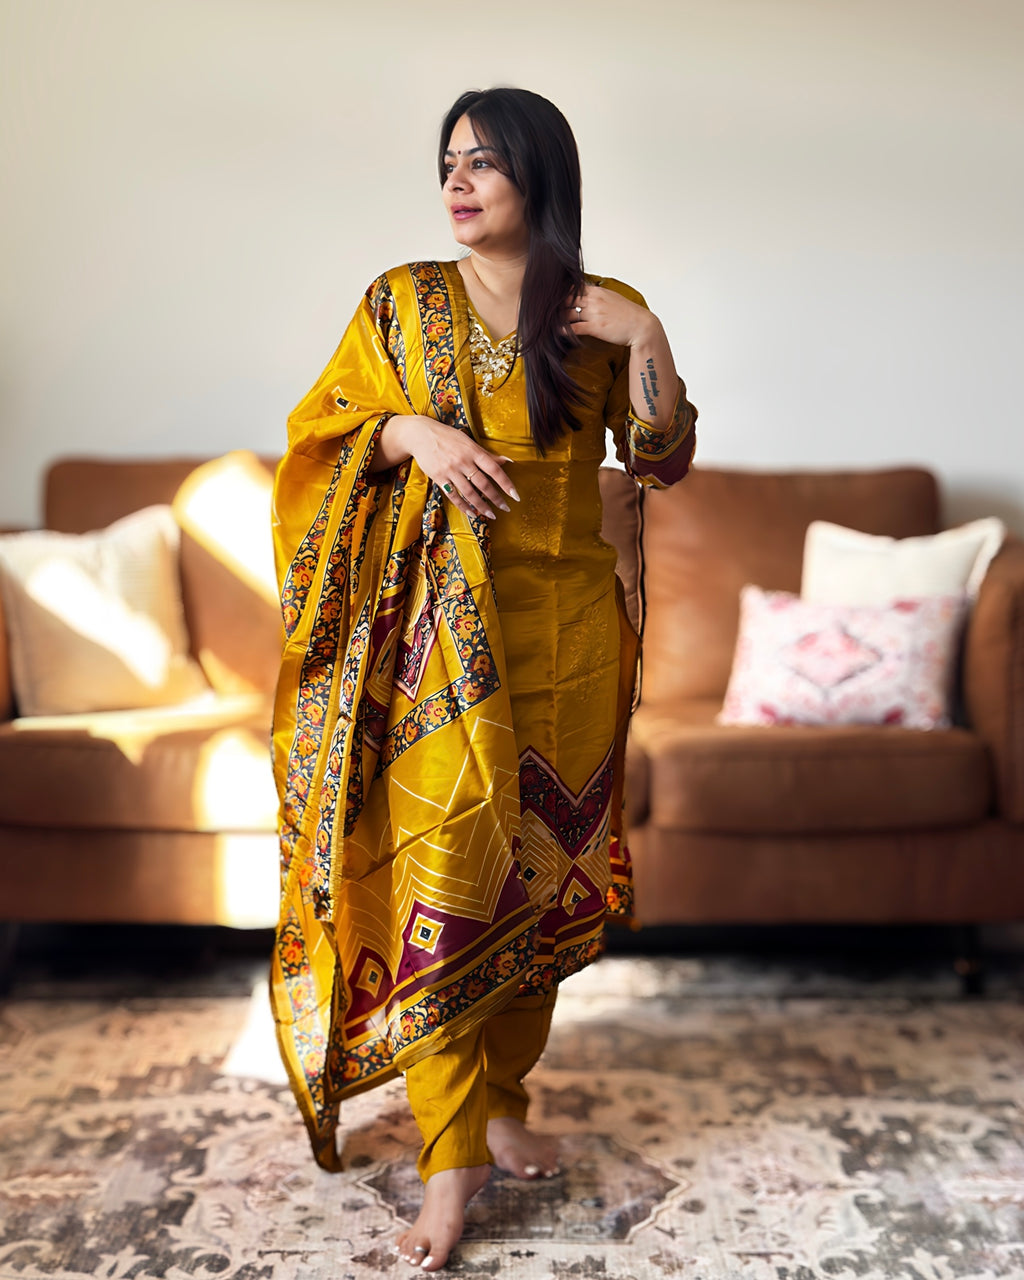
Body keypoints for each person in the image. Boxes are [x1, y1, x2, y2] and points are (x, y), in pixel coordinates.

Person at [270, 86, 696, 1271]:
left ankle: (501, 1098)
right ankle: (449, 1153)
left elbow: (660, 457)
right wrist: (411, 432)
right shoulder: (399, 302)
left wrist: (647, 339)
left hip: (573, 635)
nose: (456, 182)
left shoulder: (602, 310)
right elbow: (320, 434)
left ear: (538, 176)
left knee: (543, 876)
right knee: (447, 874)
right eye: (447, 162)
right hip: (434, 646)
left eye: (483, 163)